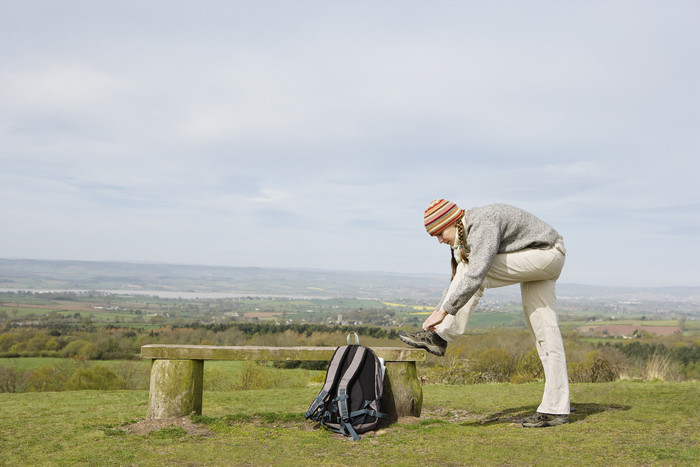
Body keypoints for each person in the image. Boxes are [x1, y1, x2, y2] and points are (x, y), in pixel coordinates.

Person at [398, 199, 570, 428]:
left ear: (452, 222)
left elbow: (474, 275)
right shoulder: (465, 234)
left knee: (473, 268)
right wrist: (439, 310)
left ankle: (440, 338)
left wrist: (444, 313)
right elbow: (456, 281)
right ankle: (556, 408)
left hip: (546, 253)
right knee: (545, 332)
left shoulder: (481, 224)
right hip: (542, 258)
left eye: (439, 233)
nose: (439, 240)